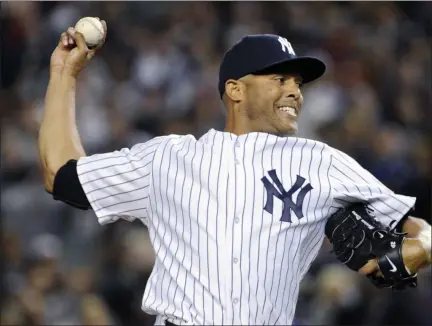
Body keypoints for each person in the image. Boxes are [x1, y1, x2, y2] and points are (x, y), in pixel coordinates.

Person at [38, 20, 432, 326]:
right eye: (280, 79)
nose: (295, 91)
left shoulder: (322, 161)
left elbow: (418, 229)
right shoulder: (168, 159)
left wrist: (422, 247)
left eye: (297, 82)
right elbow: (63, 175)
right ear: (236, 90)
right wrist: (64, 76)